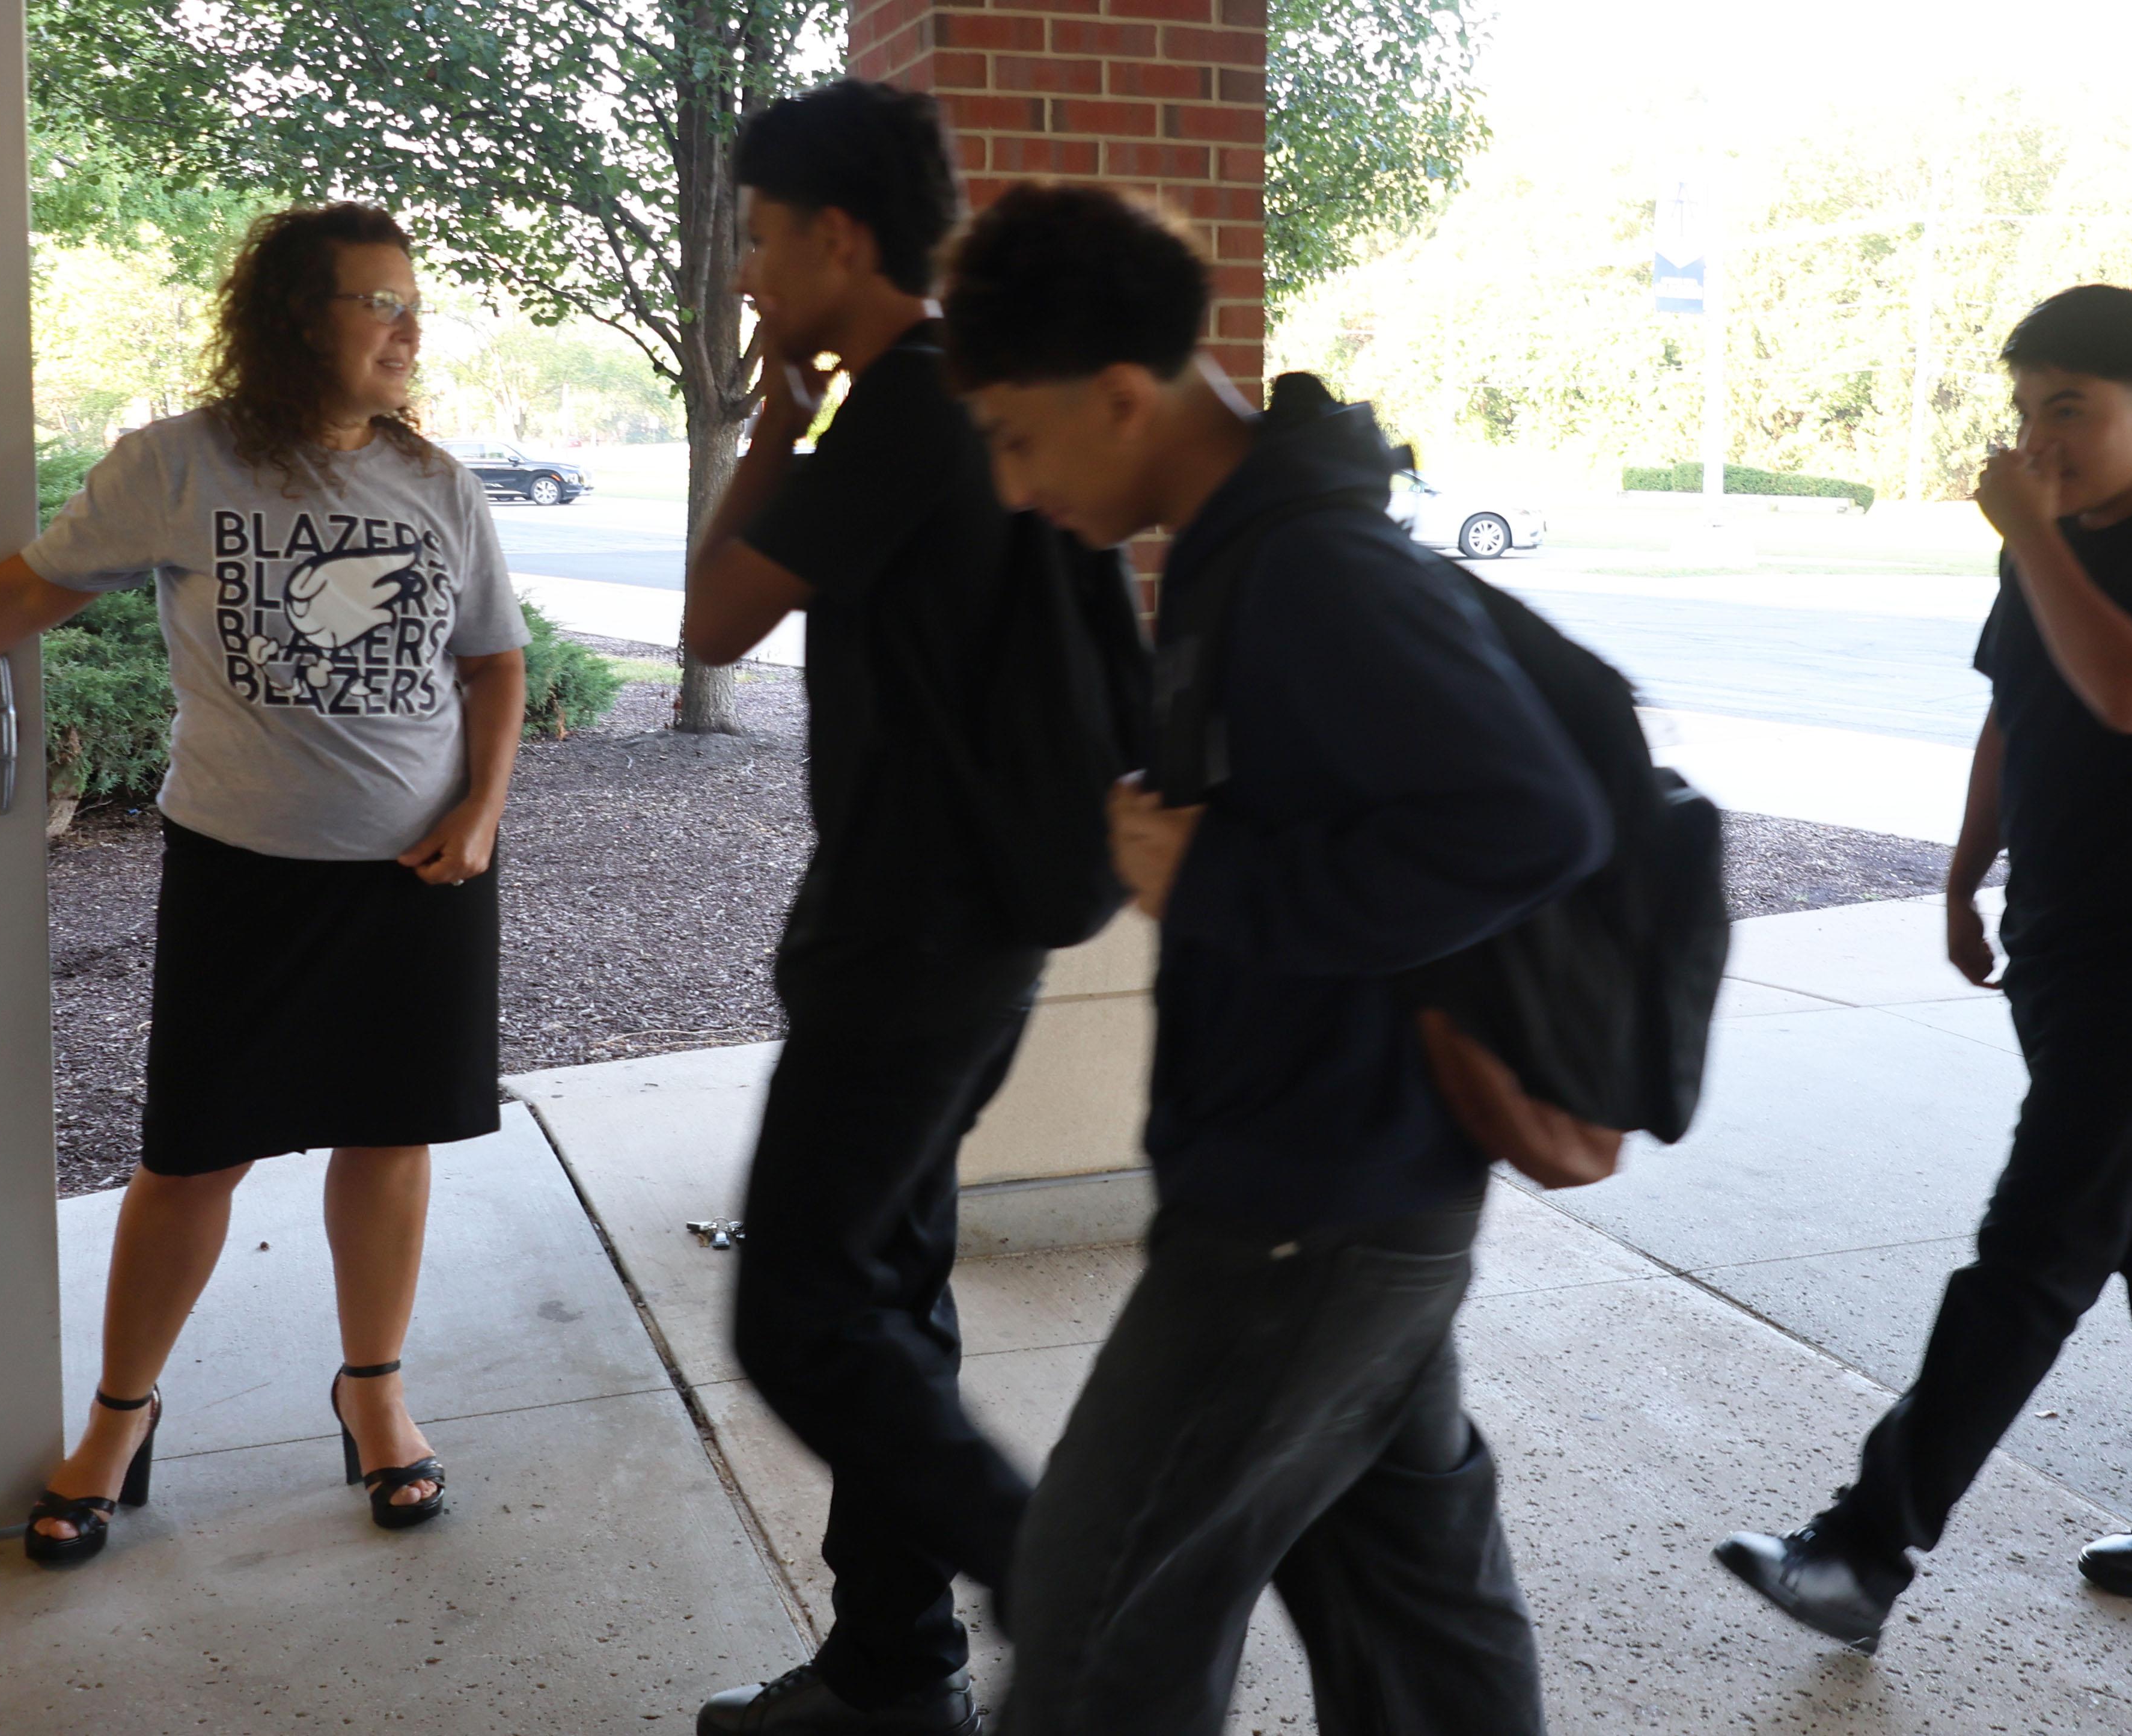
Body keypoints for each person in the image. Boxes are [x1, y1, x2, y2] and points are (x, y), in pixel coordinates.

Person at [0, 203, 526, 1562]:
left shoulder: (437, 482)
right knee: (193, 1154)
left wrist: (482, 809)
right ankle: (121, 1417)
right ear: (297, 317)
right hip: (244, 874)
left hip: (419, 874)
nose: (409, 330)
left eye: (413, 303)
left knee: (389, 1137)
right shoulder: (180, 464)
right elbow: (23, 594)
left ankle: (374, 1396)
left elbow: (491, 662)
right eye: (381, 302)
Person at [942, 182, 1606, 1736]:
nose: (1014, 487)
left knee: (1095, 1627)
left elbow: (1531, 821)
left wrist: (1228, 878)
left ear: (1122, 396)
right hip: (1353, 1197)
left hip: (1307, 1215)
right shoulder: (1249, 552)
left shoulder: (1311, 569)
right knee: (1418, 1628)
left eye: (1018, 439)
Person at [1718, 286, 2132, 1653]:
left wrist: (2030, 533)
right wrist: (1964, 869)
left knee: (2042, 1240)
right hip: (2059, 925)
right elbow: (2016, 709)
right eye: (2028, 409)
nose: (2040, 439)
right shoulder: (2050, 539)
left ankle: (1863, 1549)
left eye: (2071, 410)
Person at [677, 81, 1040, 1736]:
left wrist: (775, 425)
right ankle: (896, 1668)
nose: (747, 273)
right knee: (887, 1298)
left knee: (808, 1314)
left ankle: (1061, 1586)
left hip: (908, 938)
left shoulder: (902, 409)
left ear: (838, 235)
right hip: (971, 930)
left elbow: (713, 622)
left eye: (759, 238)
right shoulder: (978, 390)